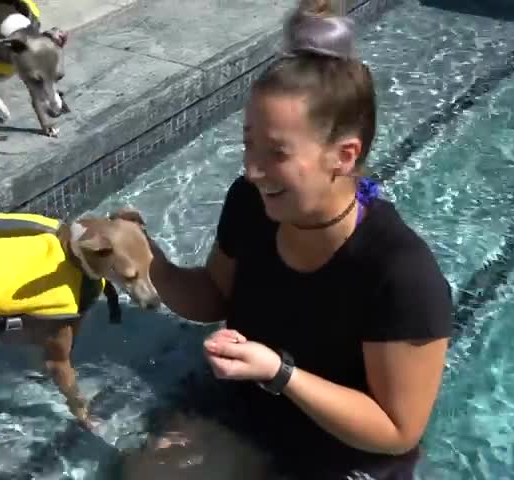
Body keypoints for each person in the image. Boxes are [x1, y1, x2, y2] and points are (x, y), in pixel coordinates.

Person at [116, 0, 453, 478]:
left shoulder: (401, 275)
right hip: (252, 413)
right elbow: (214, 296)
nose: (252, 169)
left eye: (276, 152)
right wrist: (145, 257)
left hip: (343, 454)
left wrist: (280, 372)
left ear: (343, 155)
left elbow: (397, 429)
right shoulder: (252, 203)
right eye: (249, 142)